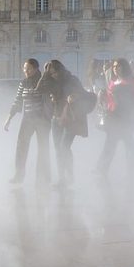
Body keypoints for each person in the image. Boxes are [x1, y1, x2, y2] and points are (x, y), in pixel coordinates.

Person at [39, 60, 93, 188]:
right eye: (51, 73)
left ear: (60, 69)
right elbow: (39, 89)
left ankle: (70, 175)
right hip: (55, 118)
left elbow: (84, 94)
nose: (54, 75)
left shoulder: (72, 80)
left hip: (71, 118)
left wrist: (75, 96)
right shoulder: (50, 80)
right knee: (58, 149)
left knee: (64, 147)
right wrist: (45, 74)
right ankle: (62, 178)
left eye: (55, 71)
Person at [4, 58, 51, 186]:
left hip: (42, 120)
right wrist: (9, 119)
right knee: (21, 147)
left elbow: (50, 100)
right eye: (24, 69)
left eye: (28, 69)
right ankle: (19, 175)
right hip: (28, 119)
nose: (26, 71)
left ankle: (42, 177)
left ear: (36, 68)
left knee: (43, 148)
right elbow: (17, 101)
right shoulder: (23, 83)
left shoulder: (44, 81)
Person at [96, 58, 134, 175]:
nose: (115, 69)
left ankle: (131, 170)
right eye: (114, 67)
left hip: (125, 117)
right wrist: (103, 95)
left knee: (126, 144)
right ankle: (102, 168)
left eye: (118, 66)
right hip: (113, 116)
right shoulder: (113, 81)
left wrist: (118, 94)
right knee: (111, 144)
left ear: (124, 67)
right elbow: (109, 98)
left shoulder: (130, 81)